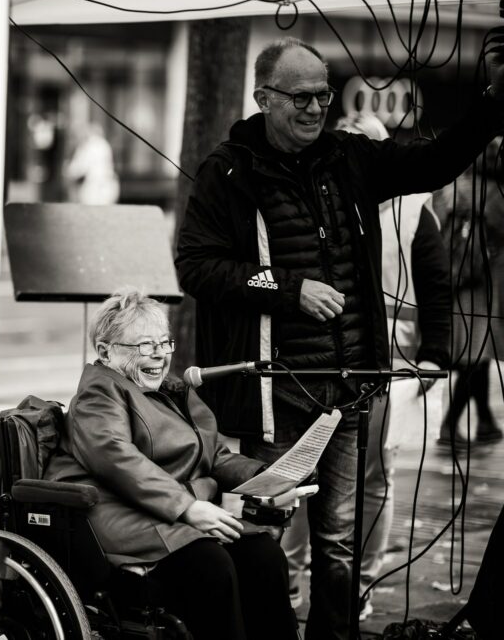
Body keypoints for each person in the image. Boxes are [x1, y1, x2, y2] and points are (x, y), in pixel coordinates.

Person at [175, 37, 504, 640]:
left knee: (339, 543)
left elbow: (433, 164)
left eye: (323, 94)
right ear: (264, 98)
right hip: (276, 393)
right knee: (264, 535)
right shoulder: (227, 171)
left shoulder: (348, 158)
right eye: (300, 97)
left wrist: (493, 102)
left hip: (349, 389)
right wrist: (284, 286)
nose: (315, 107)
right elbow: (197, 266)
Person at [43, 288, 299, 640]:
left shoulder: (171, 389)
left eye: (164, 344)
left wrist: (270, 479)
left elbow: (212, 454)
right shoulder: (99, 392)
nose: (160, 356)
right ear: (105, 351)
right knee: (211, 564)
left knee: (262, 553)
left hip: (169, 511)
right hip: (122, 512)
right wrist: (187, 508)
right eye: (145, 346)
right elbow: (117, 458)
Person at [279, 113, 453, 618]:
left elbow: (436, 288)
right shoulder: (315, 197)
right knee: (299, 470)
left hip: (391, 362)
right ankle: (289, 588)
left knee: (374, 475)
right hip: (319, 360)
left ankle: (360, 583)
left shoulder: (415, 211)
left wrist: (433, 355)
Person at [433, 161, 504, 447]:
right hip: (477, 282)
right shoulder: (491, 192)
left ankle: (485, 420)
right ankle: (450, 423)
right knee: (474, 354)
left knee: (478, 353)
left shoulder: (452, 187)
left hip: (457, 280)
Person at [64, 122, 120, 205]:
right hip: (108, 187)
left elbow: (78, 168)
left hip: (93, 189)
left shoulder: (89, 145)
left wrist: (67, 171)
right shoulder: (104, 144)